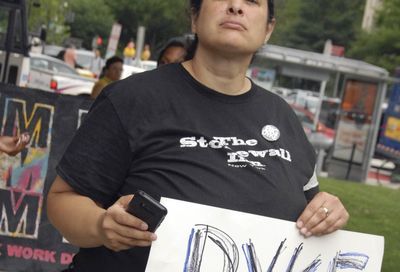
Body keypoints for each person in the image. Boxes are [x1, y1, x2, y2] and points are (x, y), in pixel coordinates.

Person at [47, 1, 349, 271]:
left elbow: (313, 206)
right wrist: (102, 225)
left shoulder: (282, 116)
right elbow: (62, 200)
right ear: (194, 18)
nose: (235, 7)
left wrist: (327, 211)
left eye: (251, 1)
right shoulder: (133, 98)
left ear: (269, 29)